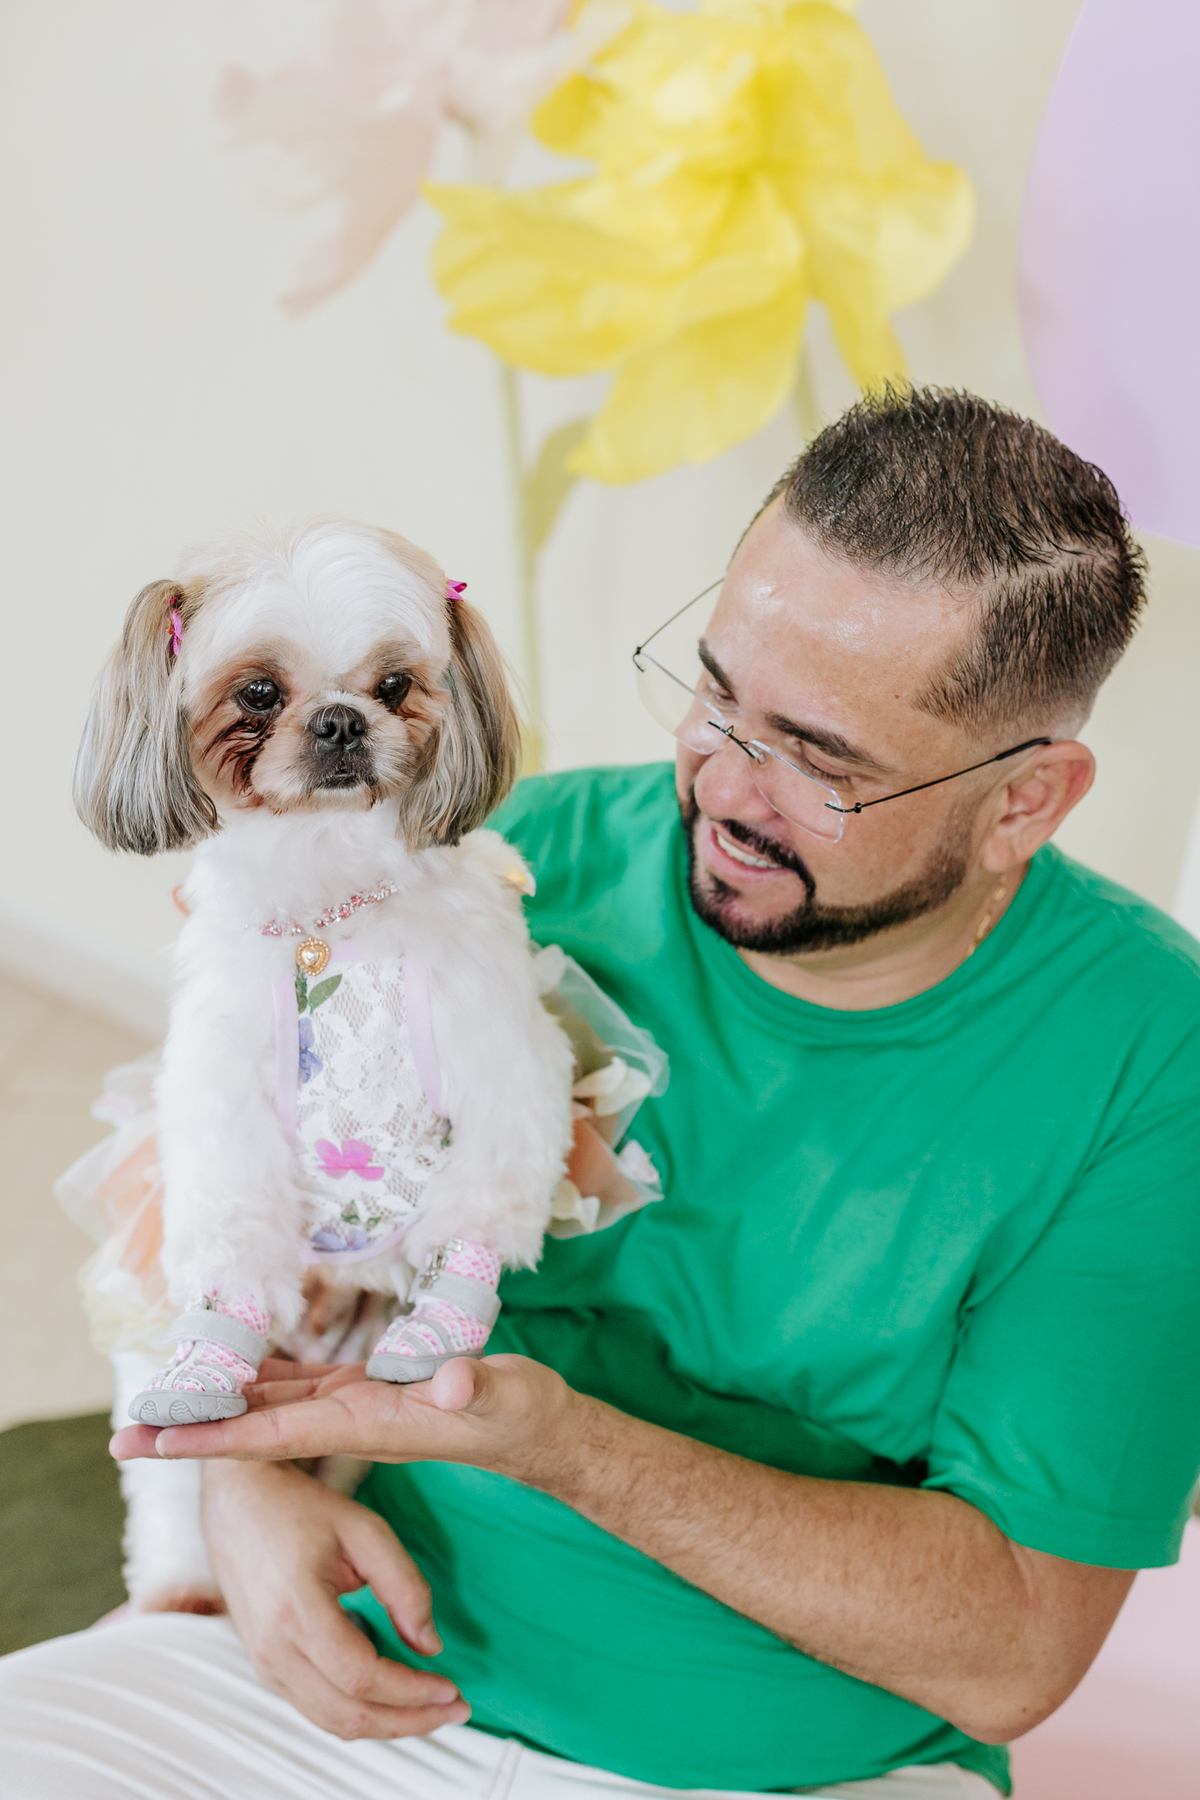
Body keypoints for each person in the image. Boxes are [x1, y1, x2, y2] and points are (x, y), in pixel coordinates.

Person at [5, 388, 1200, 1800]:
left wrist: (563, 1446)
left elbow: (1012, 1653)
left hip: (776, 1771)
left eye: (821, 760)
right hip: (338, 1680)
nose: (725, 786)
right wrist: (245, 1490)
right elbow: (216, 1172)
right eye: (716, 696)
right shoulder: (516, 858)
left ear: (1024, 800)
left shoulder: (1147, 1056)